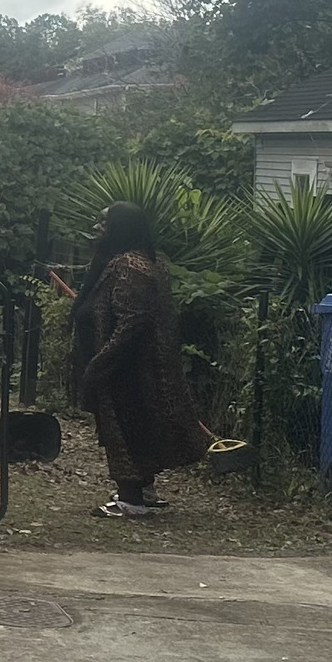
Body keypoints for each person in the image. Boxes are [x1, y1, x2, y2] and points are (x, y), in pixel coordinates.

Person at [69, 202, 213, 519]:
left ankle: (130, 499)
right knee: (141, 427)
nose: (97, 228)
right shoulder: (139, 262)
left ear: (121, 227)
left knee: (123, 430)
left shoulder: (129, 267)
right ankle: (142, 490)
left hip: (125, 368)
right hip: (133, 365)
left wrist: (101, 362)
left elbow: (131, 322)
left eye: (104, 223)